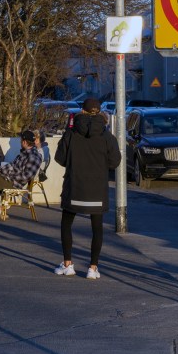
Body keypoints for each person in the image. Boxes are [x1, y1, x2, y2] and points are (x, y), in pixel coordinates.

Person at [53, 98, 121, 279]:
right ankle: (93, 268)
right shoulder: (107, 136)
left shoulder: (71, 133)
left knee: (66, 224)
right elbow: (115, 161)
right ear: (99, 112)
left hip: (74, 186)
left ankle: (68, 264)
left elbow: (60, 158)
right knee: (96, 228)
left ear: (81, 111)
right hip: (97, 188)